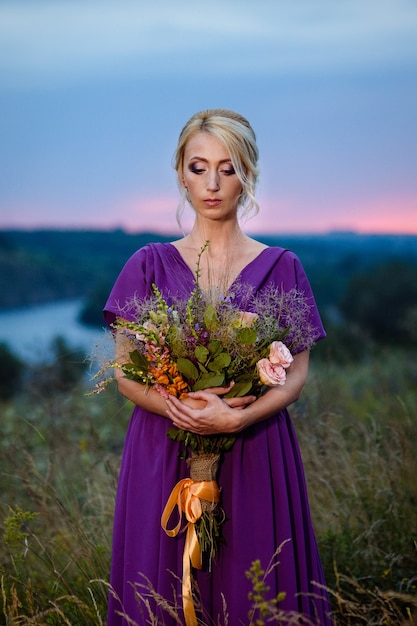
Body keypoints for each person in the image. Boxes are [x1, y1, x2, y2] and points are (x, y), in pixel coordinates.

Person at [104, 109, 333, 625]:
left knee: (254, 585)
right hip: (164, 448)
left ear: (247, 174)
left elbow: (295, 373)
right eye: (198, 166)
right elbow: (123, 372)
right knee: (160, 589)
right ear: (180, 174)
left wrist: (238, 419)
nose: (212, 183)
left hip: (255, 450)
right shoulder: (147, 265)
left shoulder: (283, 267)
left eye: (227, 168)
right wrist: (179, 408)